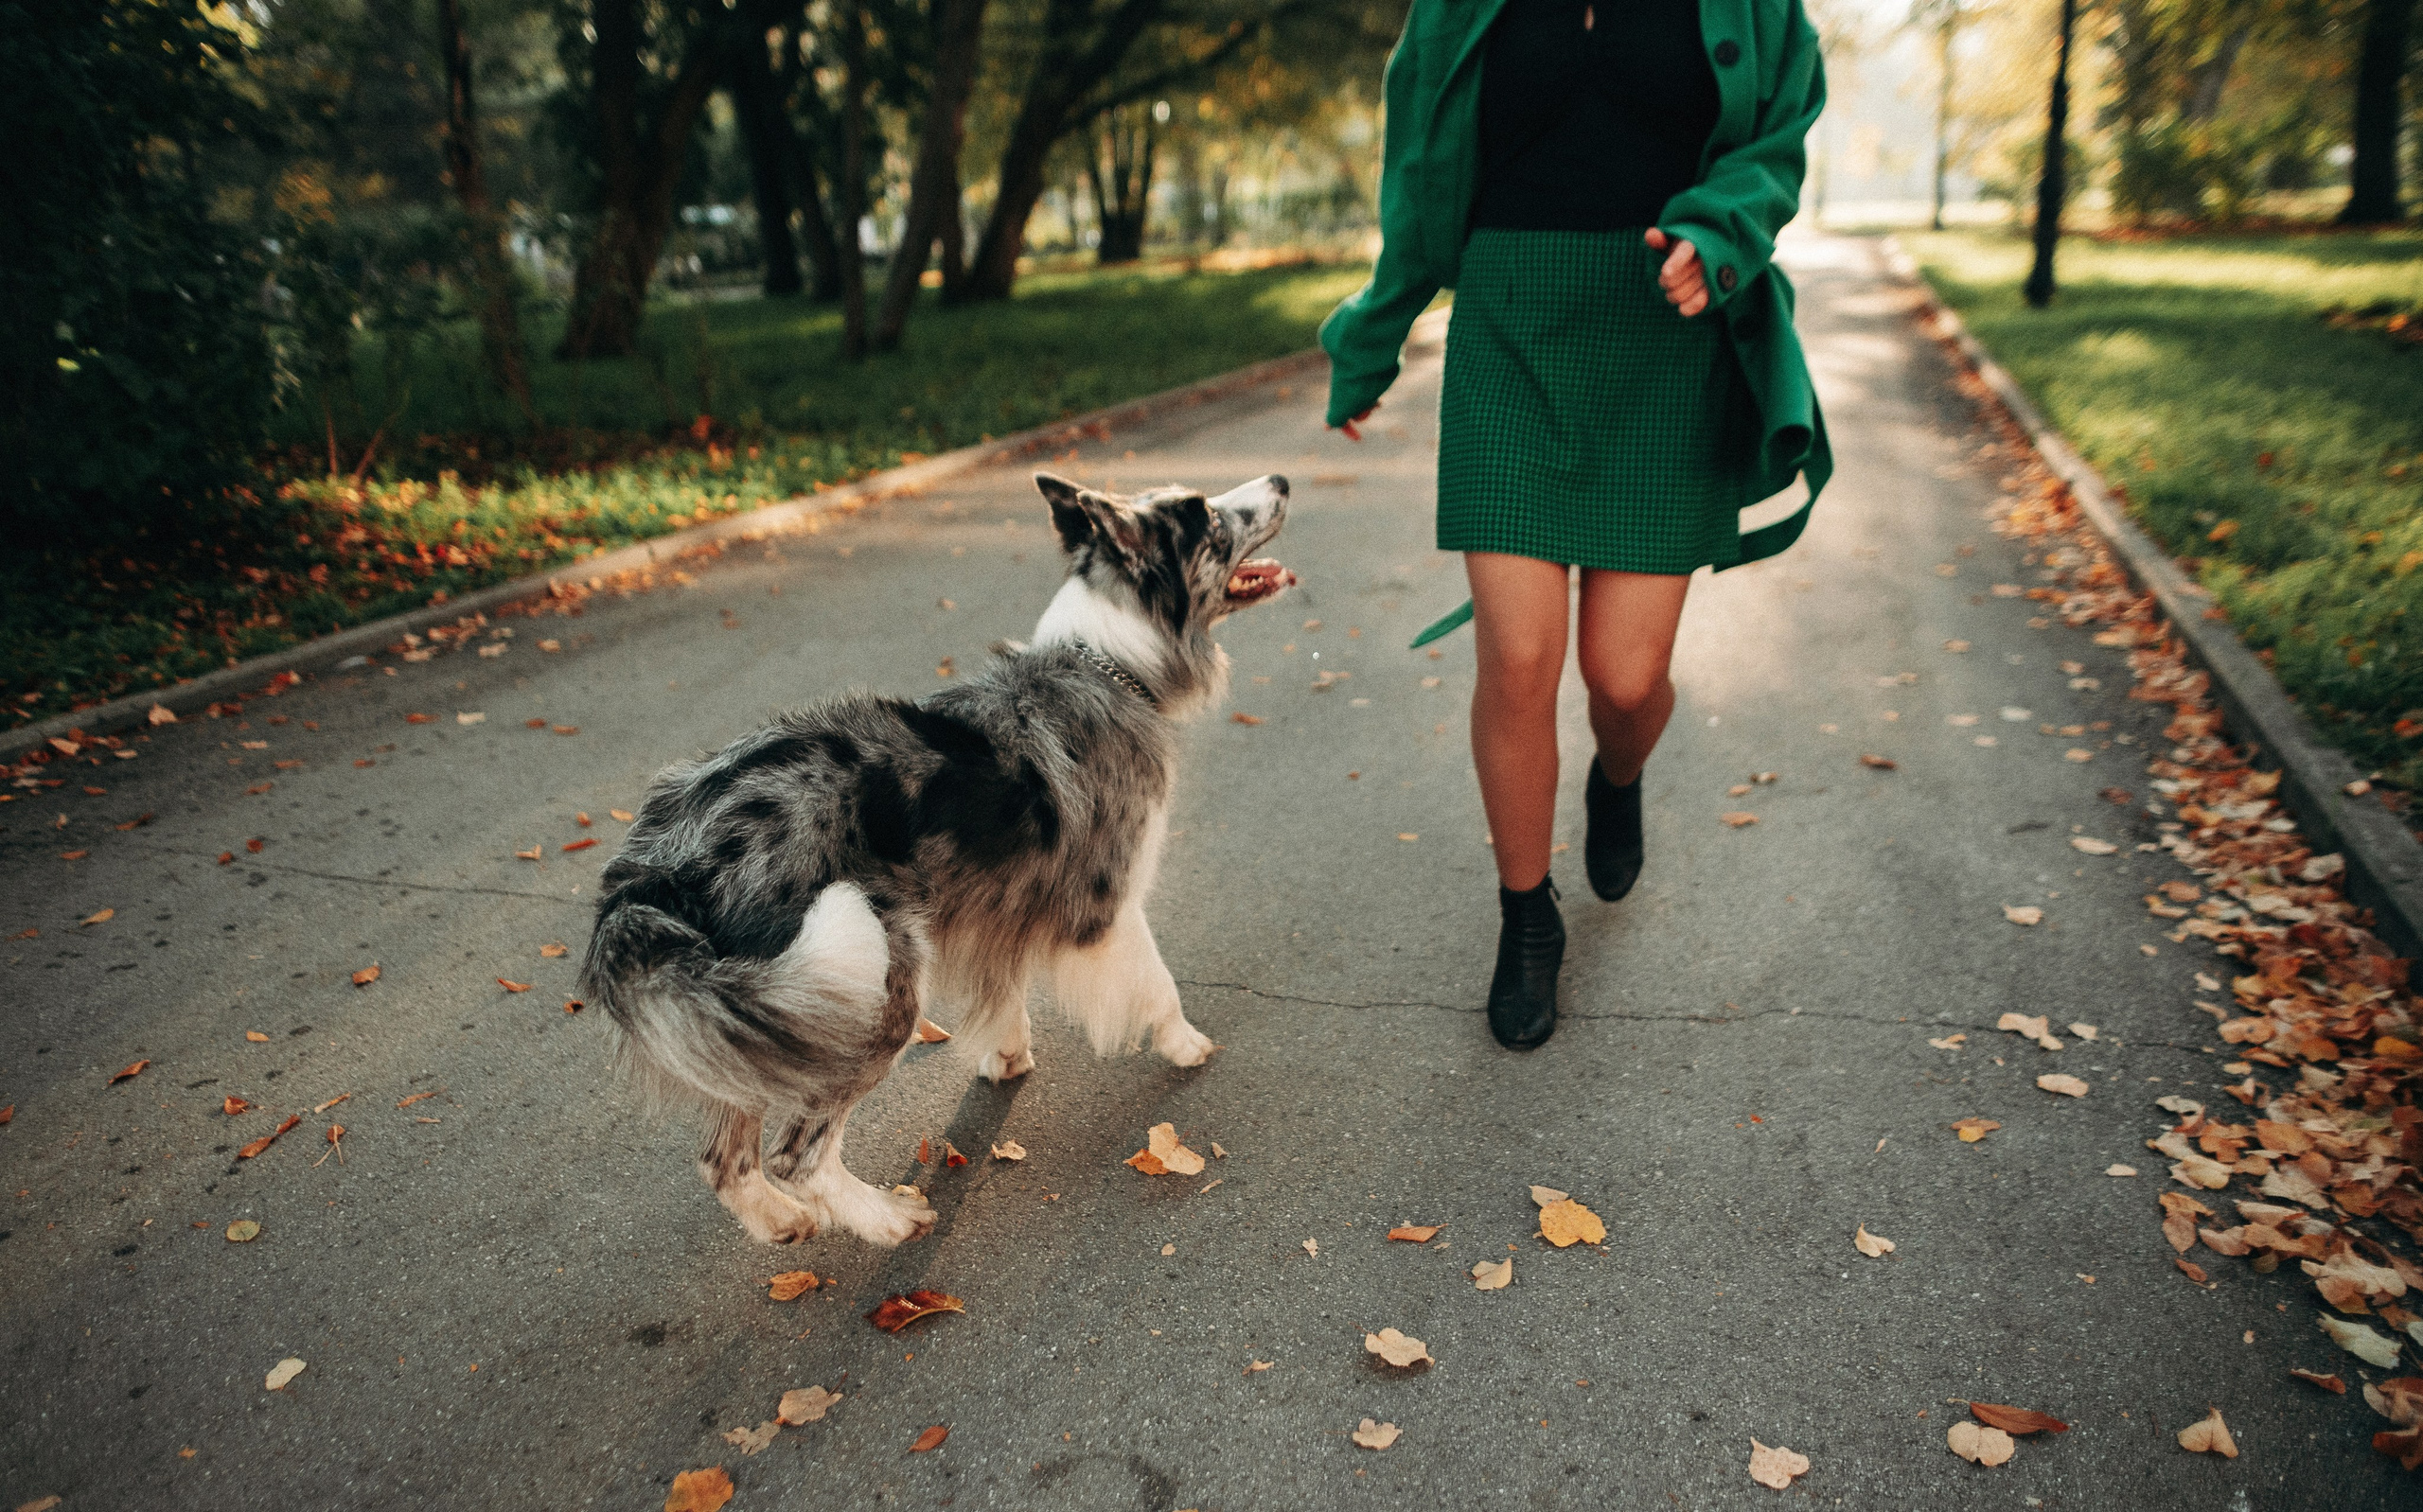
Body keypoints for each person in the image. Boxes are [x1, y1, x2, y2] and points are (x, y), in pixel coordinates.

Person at [1320, 0, 1831, 1050]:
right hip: (1509, 328)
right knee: (1517, 654)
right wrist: (1376, 332)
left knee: (1625, 678)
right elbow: (1418, 172)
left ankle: (1620, 775)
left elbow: (1777, 141)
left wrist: (1717, 229)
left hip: (1662, 332)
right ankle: (1525, 918)